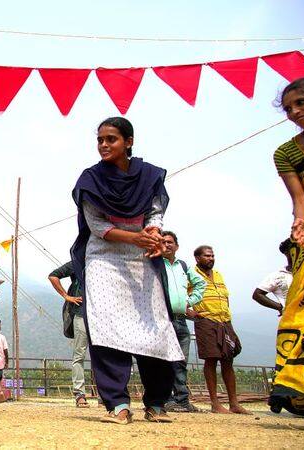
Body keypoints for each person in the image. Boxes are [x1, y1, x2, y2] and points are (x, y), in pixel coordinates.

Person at [71, 117, 183, 425]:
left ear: (129, 142)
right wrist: (135, 237)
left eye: (111, 139)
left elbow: (156, 210)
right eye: (100, 140)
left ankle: (157, 402)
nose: (104, 145)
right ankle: (117, 403)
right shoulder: (91, 179)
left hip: (142, 255)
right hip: (104, 257)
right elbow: (97, 225)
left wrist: (153, 233)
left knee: (153, 324)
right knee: (107, 327)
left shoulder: (149, 176)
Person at [269, 76, 304, 424]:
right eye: (288, 108)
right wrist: (300, 224)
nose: (294, 111)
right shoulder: (286, 153)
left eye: (301, 102)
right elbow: (300, 202)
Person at [192, 245, 249, 414]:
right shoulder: (191, 274)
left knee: (228, 359)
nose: (211, 258)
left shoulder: (218, 275)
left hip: (224, 320)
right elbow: (184, 295)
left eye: (212, 255)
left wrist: (227, 317)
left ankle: (234, 403)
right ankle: (215, 403)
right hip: (206, 320)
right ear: (197, 258)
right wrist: (191, 312)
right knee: (211, 359)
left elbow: (225, 297)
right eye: (207, 256)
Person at [160, 231, 206, 413]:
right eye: (163, 242)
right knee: (164, 361)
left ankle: (182, 400)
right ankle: (166, 399)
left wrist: (190, 301)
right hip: (163, 319)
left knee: (180, 362)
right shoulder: (155, 265)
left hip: (181, 320)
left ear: (176, 246)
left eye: (170, 242)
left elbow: (200, 284)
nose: (167, 245)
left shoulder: (183, 266)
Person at [47, 261, 89, 408]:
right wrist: (66, 296)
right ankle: (79, 393)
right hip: (80, 314)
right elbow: (53, 276)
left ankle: (107, 394)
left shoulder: (105, 261)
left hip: (102, 315)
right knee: (79, 355)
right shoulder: (77, 262)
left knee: (102, 355)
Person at [252, 239, 293, 316]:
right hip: (292, 320)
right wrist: (281, 307)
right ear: (286, 253)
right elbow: (257, 294)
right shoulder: (278, 276)